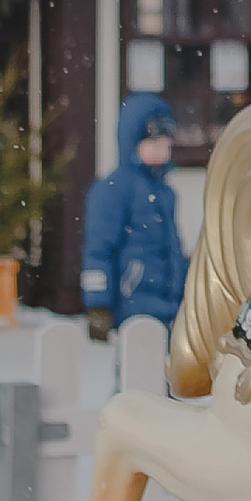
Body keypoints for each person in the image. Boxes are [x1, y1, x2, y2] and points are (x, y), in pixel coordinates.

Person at [80, 92, 188, 342]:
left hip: (168, 304)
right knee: (136, 368)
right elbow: (98, 249)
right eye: (153, 144)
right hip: (132, 302)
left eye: (165, 145)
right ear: (132, 142)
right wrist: (97, 303)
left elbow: (171, 246)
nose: (161, 151)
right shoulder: (115, 189)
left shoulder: (165, 193)